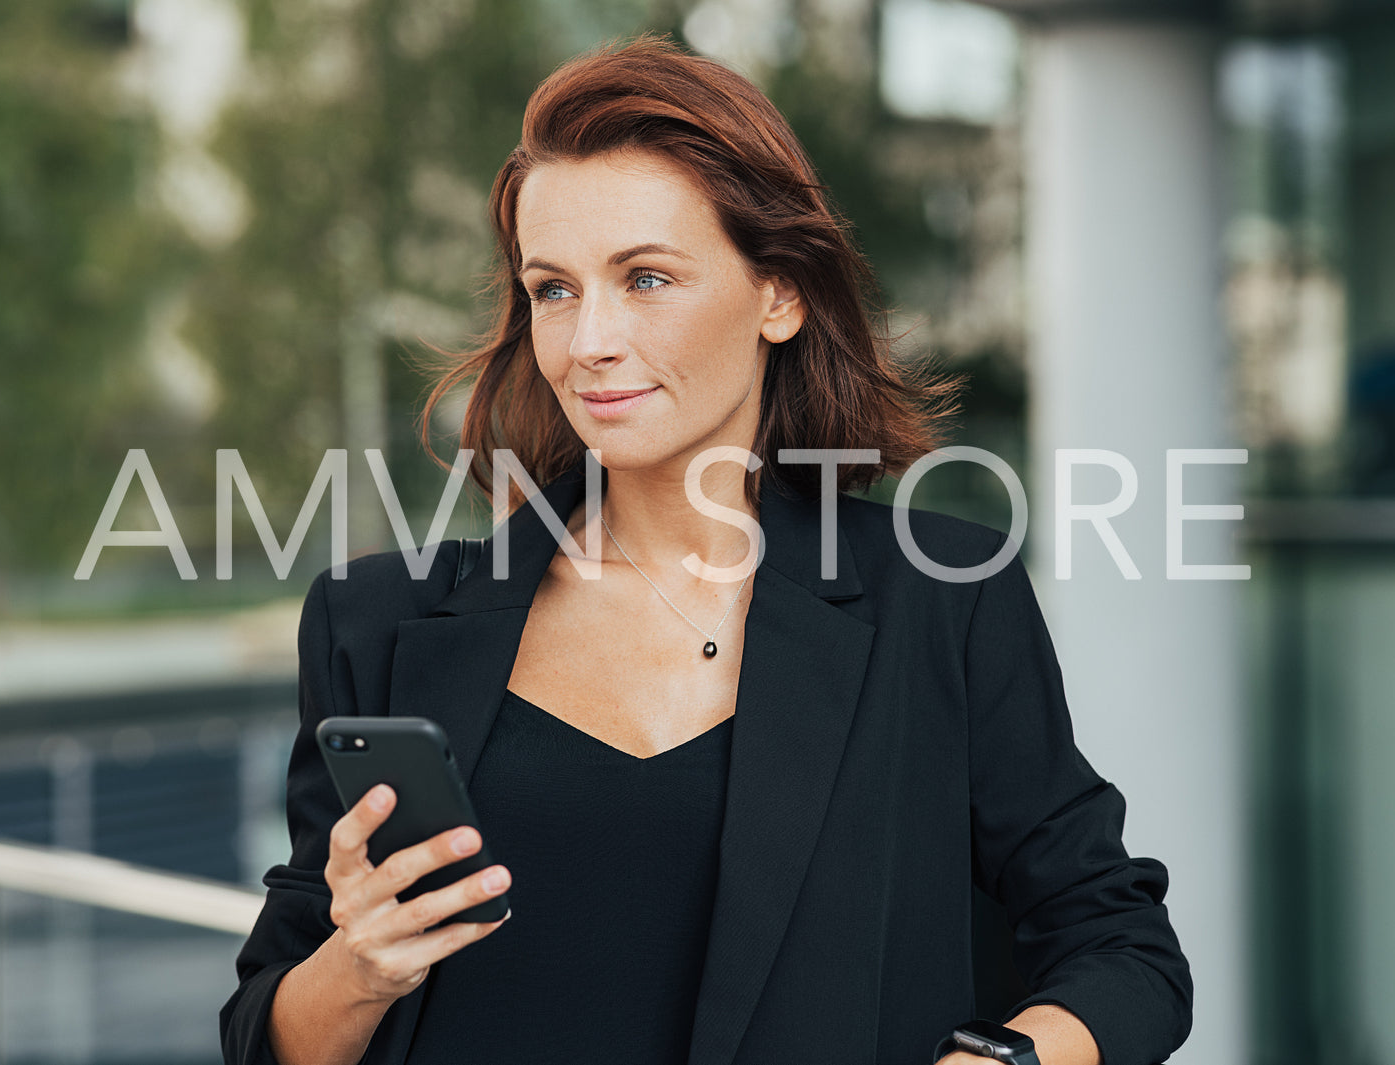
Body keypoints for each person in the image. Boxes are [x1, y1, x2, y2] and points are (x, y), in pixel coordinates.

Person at [221, 33, 1191, 1065]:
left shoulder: (937, 604)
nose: (587, 339)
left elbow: (1123, 953)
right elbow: (265, 1035)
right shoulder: (378, 626)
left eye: (644, 279)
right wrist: (360, 965)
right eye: (552, 288)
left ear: (779, 294)